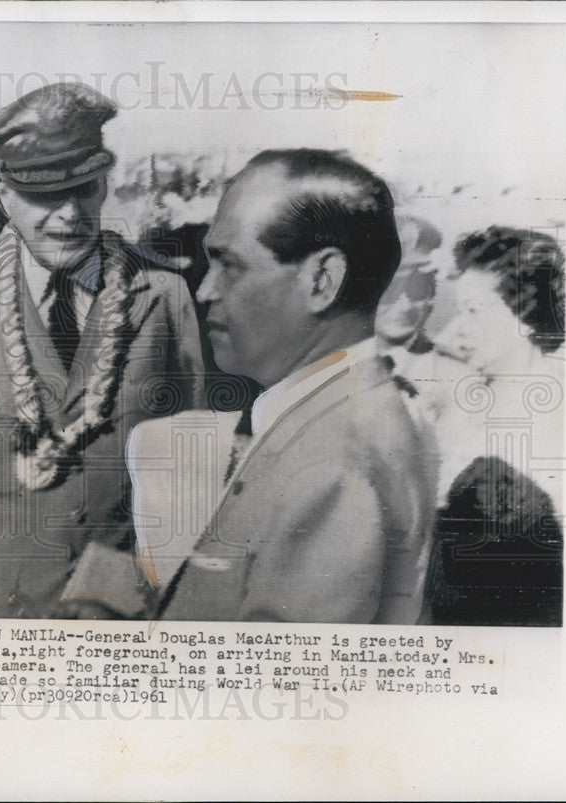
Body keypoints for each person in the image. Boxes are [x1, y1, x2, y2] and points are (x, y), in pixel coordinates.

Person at [0, 83, 205, 618]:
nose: (67, 214)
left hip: (116, 617)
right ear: (5, 197)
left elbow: (187, 470)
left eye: (84, 190)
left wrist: (118, 585)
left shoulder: (164, 297)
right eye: (42, 195)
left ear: (105, 187)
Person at [128, 149, 438, 623]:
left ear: (321, 280)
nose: (205, 291)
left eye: (229, 265)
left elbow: (280, 687)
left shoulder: (330, 459)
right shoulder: (338, 413)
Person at [410, 227, 566, 626]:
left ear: (527, 317)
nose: (452, 331)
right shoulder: (465, 406)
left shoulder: (560, 423)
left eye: (474, 311)